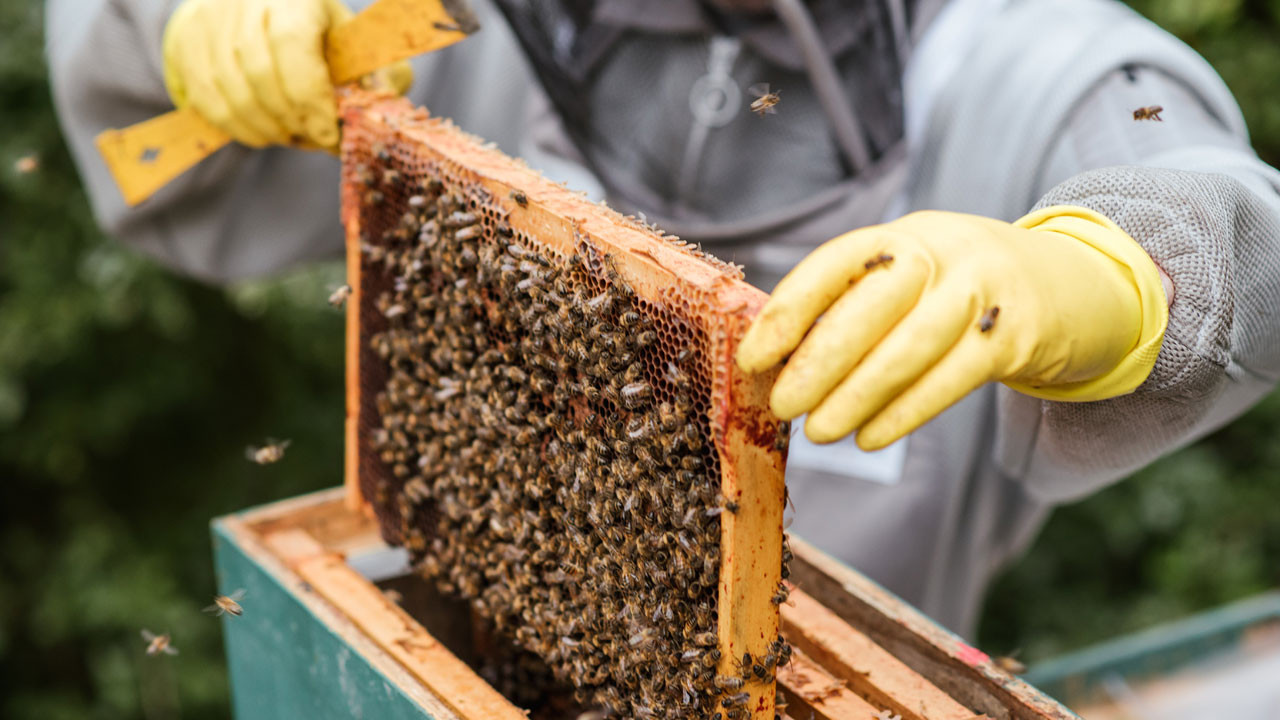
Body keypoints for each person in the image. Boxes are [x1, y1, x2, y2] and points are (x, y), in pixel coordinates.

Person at [47, 0, 1280, 636]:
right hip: (468, 640)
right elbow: (157, 160)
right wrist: (182, 29)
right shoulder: (460, 21)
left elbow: (1228, 218)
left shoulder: (1035, 59)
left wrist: (1104, 278)